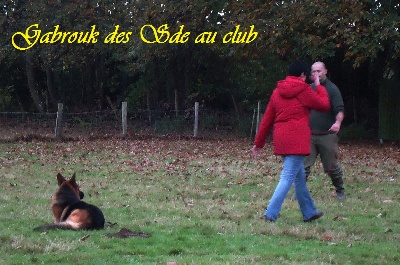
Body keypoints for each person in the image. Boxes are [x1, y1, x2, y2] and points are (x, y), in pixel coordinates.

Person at [252, 60, 330, 222]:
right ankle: (270, 214)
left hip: (281, 139)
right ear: (302, 75)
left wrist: (259, 143)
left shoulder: (277, 91)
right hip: (298, 140)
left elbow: (267, 119)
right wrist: (319, 86)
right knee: (287, 177)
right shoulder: (304, 90)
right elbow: (323, 105)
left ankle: (309, 212)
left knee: (299, 177)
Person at [305, 61, 346, 199]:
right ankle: (299, 192)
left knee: (331, 166)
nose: (316, 74)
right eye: (314, 72)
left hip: (327, 135)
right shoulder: (308, 89)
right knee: (303, 166)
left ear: (325, 71)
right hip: (309, 134)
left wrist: (337, 123)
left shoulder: (332, 89)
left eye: (319, 71)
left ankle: (340, 190)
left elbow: (340, 110)